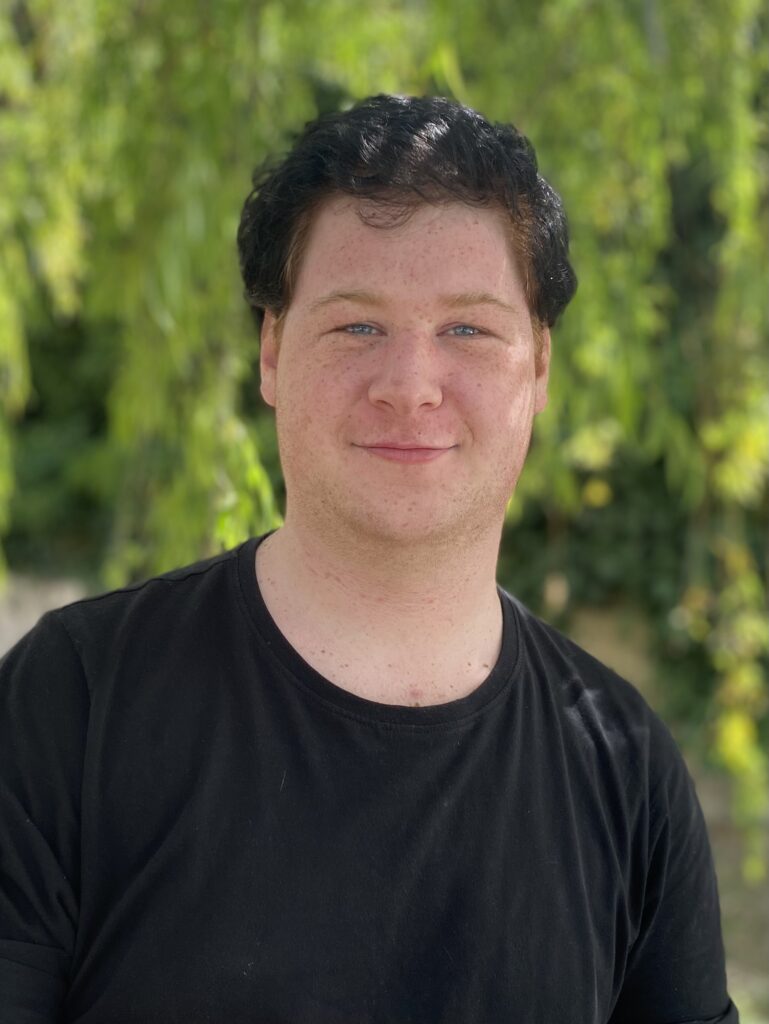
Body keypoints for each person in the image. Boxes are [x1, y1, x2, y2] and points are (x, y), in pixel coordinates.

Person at [0, 95, 737, 1022]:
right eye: (357, 326)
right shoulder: (73, 704)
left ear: (538, 368)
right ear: (272, 353)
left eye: (467, 329)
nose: (411, 387)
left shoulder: (625, 770)